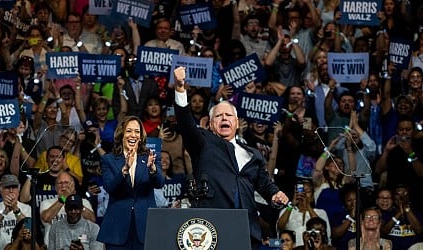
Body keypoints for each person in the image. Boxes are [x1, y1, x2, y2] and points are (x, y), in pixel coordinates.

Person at [173, 66, 289, 250]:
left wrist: (275, 194)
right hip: (211, 228)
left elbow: (265, 185)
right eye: (219, 116)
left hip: (246, 229)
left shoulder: (253, 153)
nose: (224, 118)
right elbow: (186, 125)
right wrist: (180, 89)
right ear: (211, 125)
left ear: (236, 123)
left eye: (228, 115)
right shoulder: (203, 142)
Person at [97, 116, 165, 249]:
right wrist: (124, 170)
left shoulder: (151, 156)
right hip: (117, 227)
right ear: (121, 134)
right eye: (129, 131)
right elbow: (109, 186)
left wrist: (152, 169)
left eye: (137, 131)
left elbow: (160, 183)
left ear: (141, 136)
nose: (133, 135)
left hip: (145, 225)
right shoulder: (109, 159)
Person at [40, 172, 95, 246]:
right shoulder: (47, 203)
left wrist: (76, 203)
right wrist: (63, 198)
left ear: (73, 185)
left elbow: (92, 220)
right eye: (60, 183)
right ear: (55, 187)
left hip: (78, 246)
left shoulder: (84, 202)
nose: (63, 186)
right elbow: (46, 218)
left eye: (66, 183)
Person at [0, 174, 31, 250]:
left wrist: (15, 209)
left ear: (19, 189)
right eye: (7, 187)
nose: (11, 191)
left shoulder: (27, 208)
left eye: (14, 187)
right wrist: (4, 212)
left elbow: (29, 228)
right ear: (1, 190)